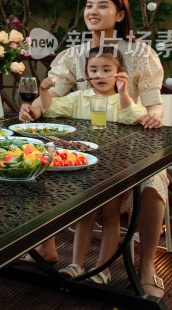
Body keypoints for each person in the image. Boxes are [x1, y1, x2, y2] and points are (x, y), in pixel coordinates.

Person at [26, 0, 167, 297]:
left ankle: (146, 266)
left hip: (132, 143)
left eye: (103, 6)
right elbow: (54, 94)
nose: (93, 11)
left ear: (119, 14)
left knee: (154, 179)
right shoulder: (73, 54)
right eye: (89, 5)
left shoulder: (141, 52)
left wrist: (154, 114)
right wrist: (33, 110)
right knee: (37, 158)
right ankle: (46, 247)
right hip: (81, 143)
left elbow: (153, 101)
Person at [20, 47, 146, 283]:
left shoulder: (122, 101)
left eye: (106, 70)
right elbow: (52, 109)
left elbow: (134, 116)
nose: (99, 75)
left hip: (115, 167)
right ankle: (77, 265)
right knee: (84, 214)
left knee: (110, 215)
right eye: (94, 70)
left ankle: (103, 269)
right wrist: (45, 92)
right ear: (87, 73)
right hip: (86, 169)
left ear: (120, 73)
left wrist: (124, 91)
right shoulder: (80, 97)